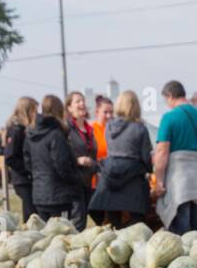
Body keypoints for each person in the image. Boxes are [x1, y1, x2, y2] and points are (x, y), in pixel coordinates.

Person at [153, 80, 197, 233]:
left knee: (180, 231)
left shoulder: (169, 117)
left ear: (170, 96)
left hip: (179, 182)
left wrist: (159, 181)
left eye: (166, 100)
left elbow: (162, 152)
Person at [89, 88, 153, 229]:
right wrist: (150, 169)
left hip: (110, 178)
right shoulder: (140, 129)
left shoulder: (109, 127)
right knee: (137, 225)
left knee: (112, 224)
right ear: (136, 106)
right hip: (133, 180)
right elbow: (146, 158)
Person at [23, 94, 82, 223]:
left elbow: (28, 163)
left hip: (39, 193)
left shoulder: (31, 134)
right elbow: (61, 164)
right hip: (59, 195)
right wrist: (74, 180)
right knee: (61, 233)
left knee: (45, 235)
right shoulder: (56, 134)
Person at [3, 96, 38, 220]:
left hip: (26, 177)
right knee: (31, 212)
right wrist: (27, 171)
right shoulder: (16, 130)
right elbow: (10, 156)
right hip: (22, 179)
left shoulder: (24, 129)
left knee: (32, 211)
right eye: (34, 110)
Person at [65, 90, 97, 223]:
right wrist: (77, 160)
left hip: (88, 181)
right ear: (69, 108)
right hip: (73, 181)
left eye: (83, 100)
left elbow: (93, 154)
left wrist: (94, 165)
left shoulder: (89, 129)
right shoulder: (66, 128)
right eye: (77, 101)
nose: (82, 103)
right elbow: (61, 154)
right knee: (77, 221)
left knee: (87, 218)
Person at [91, 94, 113, 164]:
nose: (109, 116)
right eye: (105, 112)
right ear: (97, 112)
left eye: (111, 112)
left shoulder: (115, 130)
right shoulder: (91, 130)